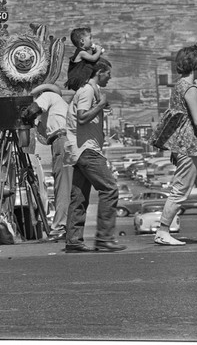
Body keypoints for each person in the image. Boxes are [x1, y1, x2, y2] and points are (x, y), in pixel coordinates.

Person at [63, 58, 126, 253]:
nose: (110, 77)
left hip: (79, 150)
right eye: (108, 73)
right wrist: (100, 105)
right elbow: (82, 117)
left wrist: (100, 105)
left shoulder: (90, 91)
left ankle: (73, 240)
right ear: (99, 72)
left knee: (79, 196)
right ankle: (104, 238)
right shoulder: (88, 90)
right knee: (110, 188)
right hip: (87, 150)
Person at [154, 44, 197, 246]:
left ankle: (163, 231)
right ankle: (162, 231)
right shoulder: (190, 89)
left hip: (190, 146)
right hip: (191, 146)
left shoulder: (179, 86)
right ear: (195, 65)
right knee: (180, 191)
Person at [26, 83, 73, 242]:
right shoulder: (58, 108)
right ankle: (68, 226)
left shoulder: (49, 96)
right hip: (63, 142)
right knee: (67, 184)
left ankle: (59, 227)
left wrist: (22, 116)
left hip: (62, 141)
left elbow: (33, 110)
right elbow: (43, 138)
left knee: (63, 184)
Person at [65, 27, 104, 93]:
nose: (92, 41)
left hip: (79, 79)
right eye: (90, 38)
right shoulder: (81, 53)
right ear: (82, 41)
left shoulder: (83, 53)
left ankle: (96, 99)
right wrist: (99, 51)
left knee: (93, 84)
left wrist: (95, 52)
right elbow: (93, 59)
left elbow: (92, 62)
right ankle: (98, 100)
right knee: (92, 82)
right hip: (76, 80)